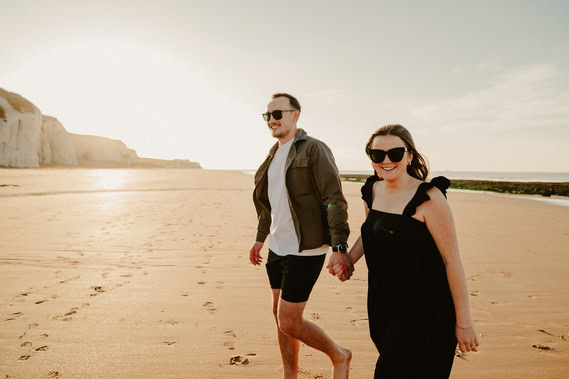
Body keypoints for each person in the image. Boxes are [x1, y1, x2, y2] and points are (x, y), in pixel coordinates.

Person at [329, 124, 479, 378]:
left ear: (409, 156)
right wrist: (349, 259)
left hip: (427, 312)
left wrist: (464, 323)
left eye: (395, 153)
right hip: (383, 307)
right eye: (378, 155)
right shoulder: (373, 191)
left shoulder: (429, 198)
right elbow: (372, 232)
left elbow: (451, 261)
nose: (386, 161)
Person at [250, 93, 354, 378]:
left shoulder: (313, 149)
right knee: (279, 315)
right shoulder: (272, 156)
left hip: (305, 249)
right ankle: (290, 374)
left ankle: (339, 354)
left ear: (295, 115)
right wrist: (261, 237)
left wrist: (340, 246)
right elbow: (269, 204)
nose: (272, 120)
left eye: (278, 114)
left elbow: (334, 198)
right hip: (277, 247)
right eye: (267, 116)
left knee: (289, 321)